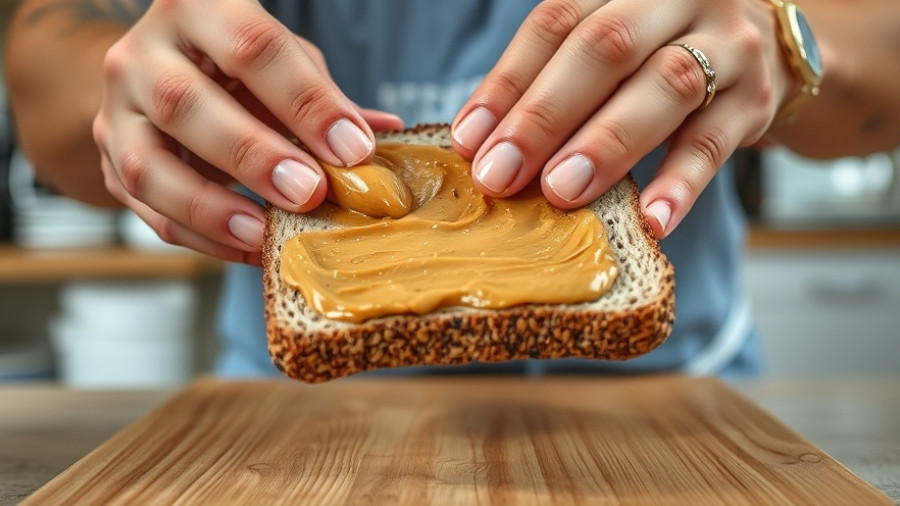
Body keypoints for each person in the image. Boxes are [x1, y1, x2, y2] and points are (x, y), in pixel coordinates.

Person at [6, 0, 900, 378]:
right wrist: (141, 100)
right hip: (302, 438)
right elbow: (45, 67)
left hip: (681, 405)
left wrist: (784, 40)